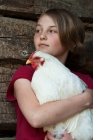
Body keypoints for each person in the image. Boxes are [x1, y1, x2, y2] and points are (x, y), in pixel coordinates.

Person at [7, 9, 93, 140]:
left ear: (71, 42)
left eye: (52, 31)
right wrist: (86, 99)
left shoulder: (86, 81)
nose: (42, 36)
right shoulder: (25, 74)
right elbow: (36, 117)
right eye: (38, 30)